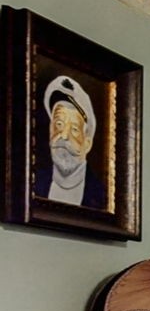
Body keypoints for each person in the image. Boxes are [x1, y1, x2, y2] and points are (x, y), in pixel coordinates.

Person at [34, 75, 105, 210]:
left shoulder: (101, 194)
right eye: (59, 124)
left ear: (87, 144)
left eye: (74, 129)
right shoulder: (33, 184)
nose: (64, 136)